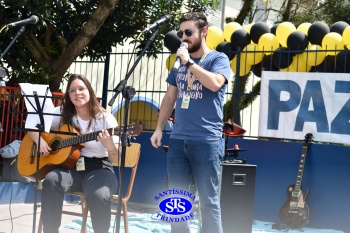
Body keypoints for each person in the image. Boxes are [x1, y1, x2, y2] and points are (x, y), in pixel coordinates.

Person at [150, 12, 231, 233]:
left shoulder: (218, 59)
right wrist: (159, 129)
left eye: (188, 32)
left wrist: (189, 64)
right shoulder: (178, 62)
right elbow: (169, 97)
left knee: (208, 201)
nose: (183, 37)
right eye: (180, 33)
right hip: (178, 140)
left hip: (206, 141)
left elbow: (215, 84)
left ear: (204, 32)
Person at [27, 74, 120, 233]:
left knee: (98, 195)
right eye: (72, 90)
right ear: (68, 96)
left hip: (99, 168)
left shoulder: (106, 119)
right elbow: (31, 124)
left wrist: (110, 144)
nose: (77, 93)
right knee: (51, 180)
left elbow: (116, 159)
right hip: (70, 166)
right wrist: (40, 141)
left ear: (89, 91)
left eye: (81, 89)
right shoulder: (63, 112)